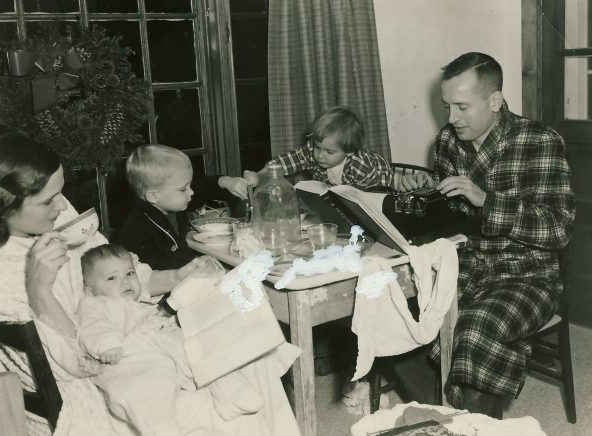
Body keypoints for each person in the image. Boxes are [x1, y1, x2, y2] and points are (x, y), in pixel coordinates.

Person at [0, 132, 301, 435]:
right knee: (223, 375)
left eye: (61, 193)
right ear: (3, 205)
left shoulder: (57, 221)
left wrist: (179, 276)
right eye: (49, 201)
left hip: (143, 332)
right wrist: (40, 291)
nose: (63, 207)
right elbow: (79, 366)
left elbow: (124, 272)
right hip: (103, 382)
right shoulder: (0, 274)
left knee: (244, 337)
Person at [400, 52, 576, 417]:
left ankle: (472, 421)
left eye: (462, 107)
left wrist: (486, 201)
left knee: (475, 329)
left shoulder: (538, 141)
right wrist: (426, 191)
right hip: (464, 266)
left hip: (528, 275)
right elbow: (450, 218)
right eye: (447, 106)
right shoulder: (448, 142)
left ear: (494, 101)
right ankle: (448, 413)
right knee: (397, 312)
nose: (451, 119)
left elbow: (558, 230)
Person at [78, 244, 264, 435]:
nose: (125, 282)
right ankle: (161, 429)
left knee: (207, 353)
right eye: (112, 278)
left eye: (130, 273)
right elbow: (93, 325)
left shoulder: (139, 302)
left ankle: (234, 394)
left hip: (165, 348)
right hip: (131, 360)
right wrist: (107, 344)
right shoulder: (95, 304)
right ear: (90, 291)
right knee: (144, 388)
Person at [112, 143, 249, 270]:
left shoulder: (171, 202)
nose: (191, 192)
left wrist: (227, 182)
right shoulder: (136, 230)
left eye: (189, 185)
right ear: (153, 196)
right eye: (183, 189)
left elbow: (202, 187)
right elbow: (149, 273)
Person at [244, 106, 397, 190]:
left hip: (379, 188)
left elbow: (368, 200)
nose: (320, 156)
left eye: (329, 152)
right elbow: (283, 162)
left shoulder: (361, 166)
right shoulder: (313, 151)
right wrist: (259, 176)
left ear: (349, 151)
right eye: (318, 147)